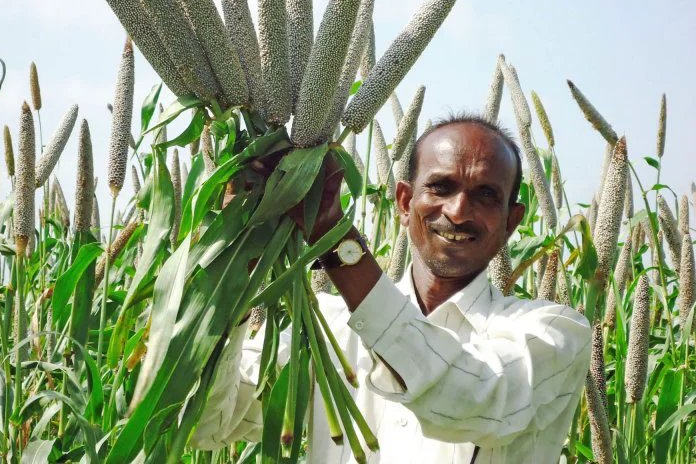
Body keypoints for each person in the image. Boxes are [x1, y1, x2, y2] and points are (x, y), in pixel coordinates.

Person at [191, 113, 592, 464]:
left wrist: (334, 237)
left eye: (486, 195)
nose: (457, 212)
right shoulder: (323, 326)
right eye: (441, 187)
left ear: (511, 221)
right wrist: (235, 273)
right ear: (403, 202)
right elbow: (209, 424)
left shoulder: (553, 334)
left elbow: (467, 395)